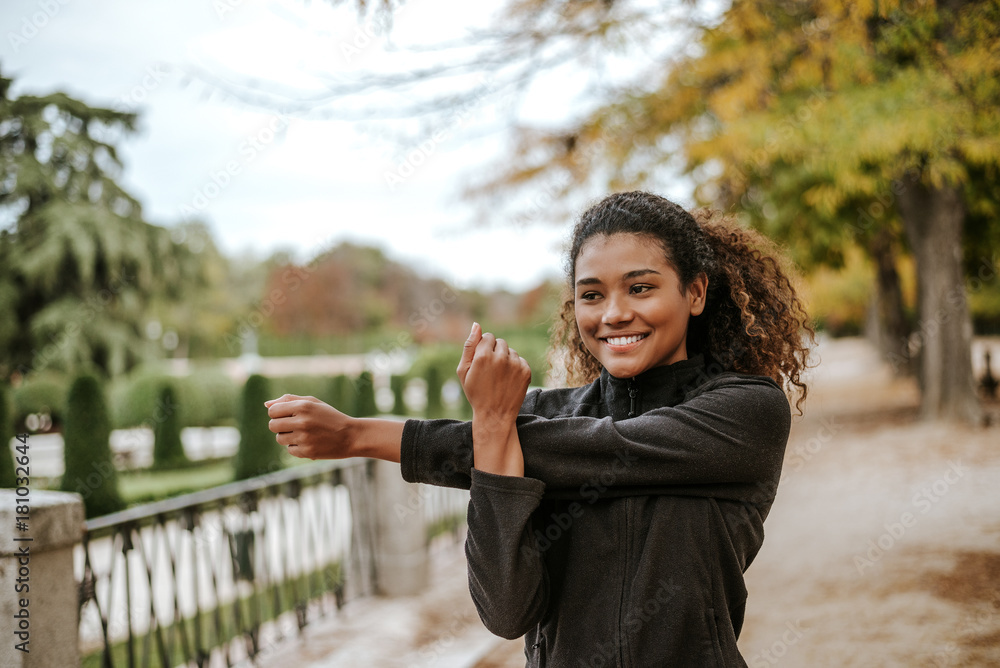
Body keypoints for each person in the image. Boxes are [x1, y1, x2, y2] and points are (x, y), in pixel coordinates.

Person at [265, 190, 813, 667]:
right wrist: (494, 433)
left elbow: (608, 448)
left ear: (694, 292)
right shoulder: (535, 420)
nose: (613, 314)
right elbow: (506, 612)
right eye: (591, 295)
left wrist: (364, 436)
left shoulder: (745, 411)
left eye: (640, 288)